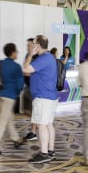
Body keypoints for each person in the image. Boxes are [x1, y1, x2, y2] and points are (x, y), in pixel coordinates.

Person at [23, 35, 58, 163]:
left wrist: (30, 55)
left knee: (42, 126)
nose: (32, 45)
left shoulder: (43, 58)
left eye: (33, 43)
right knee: (48, 125)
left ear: (38, 45)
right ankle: (50, 151)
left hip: (43, 97)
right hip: (49, 96)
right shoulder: (48, 57)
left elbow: (25, 69)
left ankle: (44, 154)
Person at [0, 43, 25, 158]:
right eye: (16, 51)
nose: (18, 53)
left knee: (8, 117)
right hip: (9, 96)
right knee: (2, 123)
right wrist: (17, 92)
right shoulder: (16, 66)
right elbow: (20, 84)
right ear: (13, 53)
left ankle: (16, 138)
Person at [22, 38, 38, 142]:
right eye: (27, 45)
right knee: (28, 111)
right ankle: (34, 129)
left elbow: (27, 71)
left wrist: (26, 71)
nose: (28, 47)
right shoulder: (27, 56)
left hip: (34, 87)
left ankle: (34, 132)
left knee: (34, 111)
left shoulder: (37, 57)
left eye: (30, 45)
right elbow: (25, 71)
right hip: (27, 86)